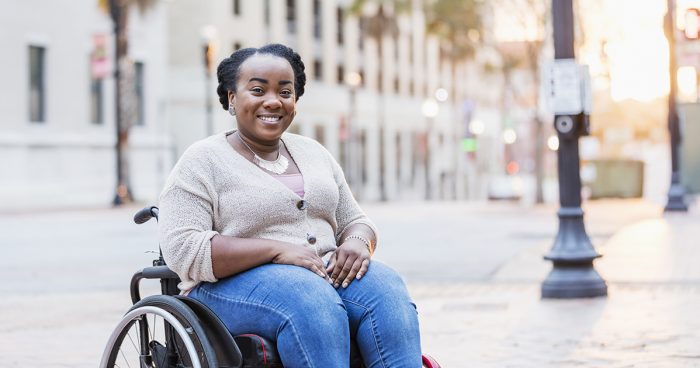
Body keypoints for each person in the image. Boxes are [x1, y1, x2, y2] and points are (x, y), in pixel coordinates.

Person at [158, 43, 421, 367]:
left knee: (386, 289)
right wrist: (277, 250)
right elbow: (184, 248)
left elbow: (355, 219)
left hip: (320, 274)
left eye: (285, 91)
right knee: (310, 299)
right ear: (231, 97)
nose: (273, 101)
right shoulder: (202, 160)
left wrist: (357, 242)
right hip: (225, 289)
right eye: (257, 89)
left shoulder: (314, 152)